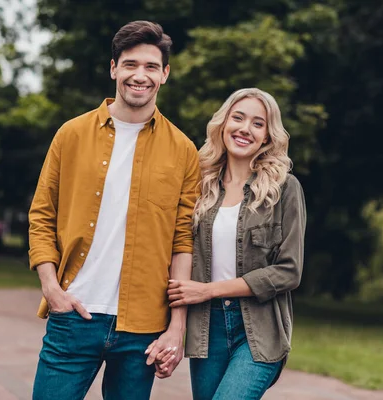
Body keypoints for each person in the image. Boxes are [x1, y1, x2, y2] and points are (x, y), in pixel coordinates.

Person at [28, 20, 200, 400]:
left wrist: (176, 328)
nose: (140, 76)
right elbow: (42, 214)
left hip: (143, 327)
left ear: (165, 74)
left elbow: (182, 241)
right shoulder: (70, 135)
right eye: (131, 64)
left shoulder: (184, 150)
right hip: (74, 315)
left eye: (151, 67)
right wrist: (51, 288)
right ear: (113, 69)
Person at [167, 88, 306, 400]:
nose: (245, 129)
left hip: (259, 329)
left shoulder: (284, 189)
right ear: (223, 124)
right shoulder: (198, 186)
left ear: (268, 137)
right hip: (206, 328)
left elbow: (289, 271)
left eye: (258, 124)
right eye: (238, 118)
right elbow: (178, 251)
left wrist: (208, 290)